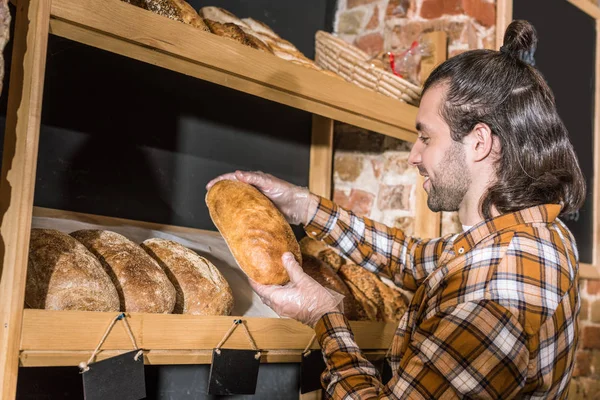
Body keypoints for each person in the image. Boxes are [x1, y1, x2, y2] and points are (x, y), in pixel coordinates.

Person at [206, 20, 586, 399]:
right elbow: (411, 258)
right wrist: (305, 206)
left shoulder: (496, 292)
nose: (413, 156)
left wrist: (324, 316)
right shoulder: (535, 235)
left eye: (425, 136)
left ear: (479, 142)